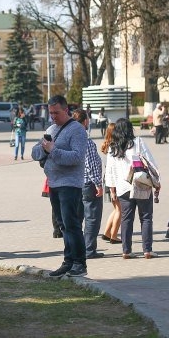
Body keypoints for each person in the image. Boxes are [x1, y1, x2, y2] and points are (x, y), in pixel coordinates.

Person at [32, 95, 90, 277]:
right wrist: (43, 148)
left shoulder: (77, 130)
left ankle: (79, 263)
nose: (53, 116)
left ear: (66, 110)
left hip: (70, 184)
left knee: (72, 224)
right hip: (54, 183)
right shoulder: (51, 129)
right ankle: (68, 261)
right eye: (50, 113)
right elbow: (34, 152)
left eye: (56, 113)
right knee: (62, 225)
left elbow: (77, 157)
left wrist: (53, 150)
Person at [106, 118, 160, 260]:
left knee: (126, 219)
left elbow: (109, 171)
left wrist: (112, 190)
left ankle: (126, 250)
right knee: (146, 217)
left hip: (122, 187)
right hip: (141, 184)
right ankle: (147, 250)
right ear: (130, 129)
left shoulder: (113, 148)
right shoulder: (138, 142)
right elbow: (150, 161)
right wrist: (156, 181)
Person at [73, 109, 105, 260]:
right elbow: (91, 166)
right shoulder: (87, 141)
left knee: (77, 218)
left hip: (75, 184)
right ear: (85, 121)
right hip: (88, 184)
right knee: (92, 218)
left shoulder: (71, 139)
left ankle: (77, 248)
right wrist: (98, 184)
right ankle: (89, 250)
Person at [99, 124, 122, 245]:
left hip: (107, 180)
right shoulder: (114, 147)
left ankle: (107, 233)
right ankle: (114, 235)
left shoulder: (107, 146)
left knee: (116, 208)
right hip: (113, 181)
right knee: (120, 209)